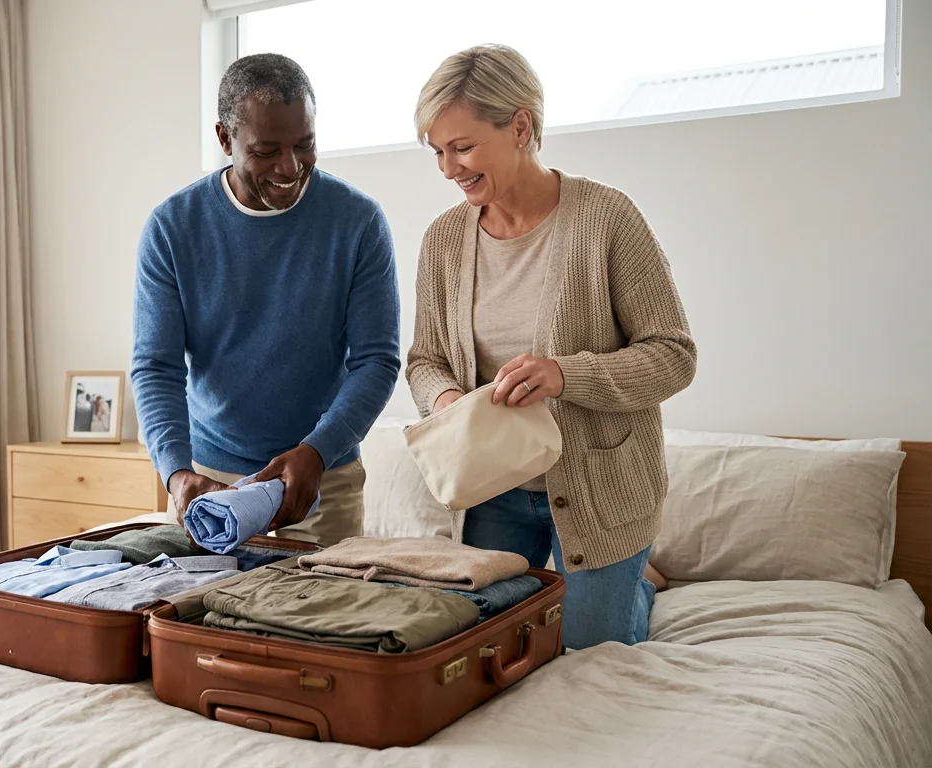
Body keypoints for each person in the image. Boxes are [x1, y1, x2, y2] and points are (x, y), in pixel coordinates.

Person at [406, 44, 695, 649]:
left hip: (602, 487)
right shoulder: (443, 241)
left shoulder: (607, 219)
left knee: (586, 651)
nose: (448, 168)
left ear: (520, 126)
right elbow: (425, 360)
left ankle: (633, 582)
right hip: (494, 486)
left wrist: (566, 375)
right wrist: (449, 401)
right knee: (477, 647)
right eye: (437, 151)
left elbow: (673, 354)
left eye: (461, 147)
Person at [131, 53, 401, 547]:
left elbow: (377, 361)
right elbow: (156, 367)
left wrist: (316, 452)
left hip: (322, 481)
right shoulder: (172, 228)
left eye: (305, 145)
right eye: (266, 150)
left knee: (320, 622)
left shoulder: (357, 221)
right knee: (203, 623)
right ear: (224, 139)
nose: (289, 167)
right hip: (213, 483)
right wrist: (175, 472)